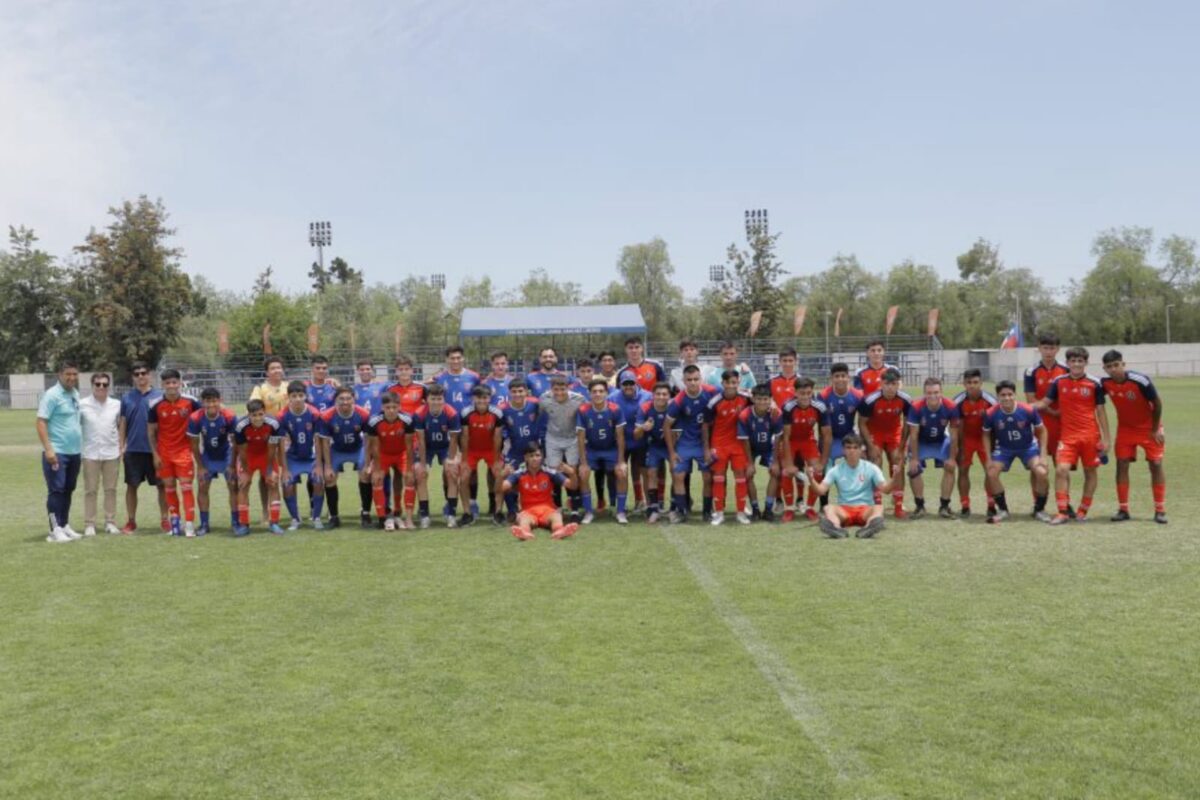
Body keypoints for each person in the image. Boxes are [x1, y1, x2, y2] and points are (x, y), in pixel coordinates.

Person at [1038, 347, 1111, 524]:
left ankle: (1082, 511)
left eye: (1080, 361)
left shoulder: (1095, 383)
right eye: (1073, 361)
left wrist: (1107, 439)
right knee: (1061, 469)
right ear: (1068, 363)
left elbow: (1101, 411)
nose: (1077, 364)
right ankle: (1062, 512)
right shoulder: (1058, 381)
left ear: (1086, 363)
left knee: (1090, 471)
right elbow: (1044, 403)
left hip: (1090, 436)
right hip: (1068, 437)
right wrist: (1020, 406)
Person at [1101, 350, 1167, 524]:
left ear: (1123, 364)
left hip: (1149, 429)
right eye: (1109, 367)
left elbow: (1157, 403)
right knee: (1121, 465)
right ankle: (1123, 509)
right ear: (1105, 369)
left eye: (1116, 365)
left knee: (1156, 464)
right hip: (1126, 430)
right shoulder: (1105, 383)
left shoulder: (1140, 381)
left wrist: (1155, 429)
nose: (1114, 369)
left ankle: (1160, 510)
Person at [806, 434, 901, 539]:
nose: (852, 451)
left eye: (856, 448)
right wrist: (811, 479)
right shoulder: (835, 470)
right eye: (848, 447)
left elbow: (886, 490)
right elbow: (820, 490)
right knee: (828, 508)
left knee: (878, 508)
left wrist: (895, 477)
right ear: (843, 450)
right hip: (844, 509)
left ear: (861, 450)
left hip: (865, 509)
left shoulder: (871, 468)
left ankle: (869, 528)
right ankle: (836, 529)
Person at [983, 380, 1050, 524]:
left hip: (1028, 448)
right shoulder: (990, 413)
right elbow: (986, 435)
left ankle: (1039, 510)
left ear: (1015, 395)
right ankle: (1003, 510)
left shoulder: (1028, 410)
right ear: (998, 396)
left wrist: (1043, 455)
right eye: (1003, 395)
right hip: (1004, 448)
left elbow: (1043, 431)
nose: (1007, 398)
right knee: (991, 473)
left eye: (1010, 394)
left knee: (1042, 472)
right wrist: (988, 458)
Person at [147, 369, 201, 535]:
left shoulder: (191, 402)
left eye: (174, 382)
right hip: (164, 454)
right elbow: (151, 432)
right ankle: (175, 524)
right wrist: (155, 455)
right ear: (162, 385)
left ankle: (190, 524)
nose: (171, 386)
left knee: (186, 487)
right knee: (169, 487)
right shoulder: (155, 405)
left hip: (184, 452)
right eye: (167, 383)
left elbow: (203, 419)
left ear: (179, 383)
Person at [664, 365, 717, 523]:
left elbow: (732, 396)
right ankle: (681, 511)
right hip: (685, 443)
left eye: (696, 379)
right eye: (689, 380)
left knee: (708, 477)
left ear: (701, 379)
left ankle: (707, 511)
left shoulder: (712, 392)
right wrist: (672, 452)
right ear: (683, 381)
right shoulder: (679, 400)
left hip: (704, 443)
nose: (693, 383)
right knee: (678, 475)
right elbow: (667, 426)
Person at [119, 361, 167, 533]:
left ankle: (165, 519)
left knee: (162, 486)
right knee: (132, 486)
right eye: (137, 374)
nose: (140, 376)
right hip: (133, 450)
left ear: (150, 374)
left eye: (143, 373)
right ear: (133, 377)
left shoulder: (161, 396)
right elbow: (123, 423)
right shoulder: (126, 398)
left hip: (156, 451)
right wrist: (121, 446)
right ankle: (131, 521)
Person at [37, 362, 83, 543]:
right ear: (59, 375)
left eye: (74, 374)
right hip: (57, 452)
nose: (71, 377)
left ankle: (64, 525)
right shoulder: (52, 395)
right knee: (56, 490)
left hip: (74, 452)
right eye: (68, 374)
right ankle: (54, 530)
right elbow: (41, 422)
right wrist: (49, 449)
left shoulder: (74, 393)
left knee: (68, 489)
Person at [858, 369, 912, 519]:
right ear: (881, 384)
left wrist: (902, 446)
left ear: (898, 384)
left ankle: (898, 504)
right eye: (887, 384)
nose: (890, 388)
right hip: (875, 433)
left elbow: (907, 422)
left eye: (894, 384)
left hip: (894, 433)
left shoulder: (905, 399)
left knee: (897, 462)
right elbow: (862, 423)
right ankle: (877, 503)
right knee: (875, 461)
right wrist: (869, 445)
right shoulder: (869, 400)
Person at [1024, 333, 1069, 509]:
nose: (1048, 351)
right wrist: (1052, 410)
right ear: (1039, 348)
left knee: (1061, 466)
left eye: (1052, 348)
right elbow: (1030, 401)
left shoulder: (1066, 370)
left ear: (1057, 349)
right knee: (1036, 467)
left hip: (1061, 425)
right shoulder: (1031, 371)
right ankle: (1038, 503)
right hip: (1038, 424)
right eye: (1045, 348)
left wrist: (1060, 413)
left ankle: (1065, 503)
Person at [502, 443, 581, 541]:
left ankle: (559, 531)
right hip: (528, 511)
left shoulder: (549, 472)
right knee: (523, 519)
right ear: (525, 458)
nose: (535, 459)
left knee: (556, 516)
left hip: (548, 509)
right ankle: (525, 533)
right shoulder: (519, 473)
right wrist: (501, 476)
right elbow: (501, 488)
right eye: (531, 456)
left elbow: (573, 486)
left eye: (537, 455)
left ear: (542, 457)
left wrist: (572, 473)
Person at [318, 387, 372, 529]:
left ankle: (365, 514)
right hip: (337, 449)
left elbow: (368, 440)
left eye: (348, 398)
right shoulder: (327, 416)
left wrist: (367, 462)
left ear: (354, 400)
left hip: (357, 448)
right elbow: (324, 442)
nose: (345, 402)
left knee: (366, 475)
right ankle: (334, 517)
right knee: (329, 477)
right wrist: (328, 466)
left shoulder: (364, 414)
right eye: (341, 399)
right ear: (335, 400)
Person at [906, 377, 960, 519]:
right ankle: (920, 506)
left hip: (941, 441)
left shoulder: (951, 406)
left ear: (941, 392)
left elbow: (954, 435)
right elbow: (913, 435)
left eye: (936, 392)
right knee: (913, 469)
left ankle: (944, 506)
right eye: (929, 393)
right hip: (921, 442)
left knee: (950, 467)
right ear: (925, 393)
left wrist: (952, 458)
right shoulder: (916, 406)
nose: (933, 396)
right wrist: (915, 459)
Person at [367, 393, 422, 530]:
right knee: (377, 479)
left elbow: (409, 446)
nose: (391, 410)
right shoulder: (374, 421)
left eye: (394, 407)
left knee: (409, 479)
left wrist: (409, 469)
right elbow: (374, 446)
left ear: (399, 407)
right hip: (383, 454)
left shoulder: (407, 420)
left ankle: (407, 518)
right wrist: (377, 469)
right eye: (388, 407)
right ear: (382, 407)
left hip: (401, 454)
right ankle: (382, 519)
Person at [576, 378, 628, 524]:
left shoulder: (615, 409)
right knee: (583, 473)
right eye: (594, 392)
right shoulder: (583, 410)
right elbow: (580, 438)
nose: (597, 394)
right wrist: (583, 463)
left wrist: (621, 461)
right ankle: (588, 512)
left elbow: (620, 436)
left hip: (610, 449)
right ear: (589, 394)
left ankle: (621, 511)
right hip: (591, 450)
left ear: (606, 393)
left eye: (601, 391)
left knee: (622, 473)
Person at [188, 387, 239, 534]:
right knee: (203, 486)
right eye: (208, 401)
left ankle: (235, 522)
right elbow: (194, 444)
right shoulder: (195, 417)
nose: (211, 404)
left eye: (214, 401)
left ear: (220, 400)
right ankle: (204, 524)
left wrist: (232, 465)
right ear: (202, 402)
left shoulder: (228, 416)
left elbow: (235, 443)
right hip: (208, 456)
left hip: (226, 455)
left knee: (232, 485)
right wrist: (201, 466)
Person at [706, 369, 753, 525]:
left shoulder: (746, 398)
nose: (731, 386)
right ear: (723, 383)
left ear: (738, 382)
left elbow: (761, 403)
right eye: (728, 383)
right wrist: (707, 449)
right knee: (718, 477)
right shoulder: (714, 402)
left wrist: (773, 407)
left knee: (740, 477)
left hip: (738, 444)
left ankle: (740, 512)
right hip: (719, 444)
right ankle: (719, 512)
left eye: (734, 382)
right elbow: (705, 426)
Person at [277, 381, 325, 531]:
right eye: (294, 396)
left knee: (318, 481)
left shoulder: (314, 414)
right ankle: (295, 518)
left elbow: (318, 440)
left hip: (311, 457)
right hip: (293, 458)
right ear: (288, 397)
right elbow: (281, 445)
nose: (297, 399)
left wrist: (318, 464)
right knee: (287, 484)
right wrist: (284, 469)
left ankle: (316, 517)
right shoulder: (282, 416)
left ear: (305, 396)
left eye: (300, 395)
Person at [781, 377, 830, 522]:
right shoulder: (788, 407)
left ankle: (809, 507)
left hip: (807, 441)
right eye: (802, 393)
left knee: (818, 471)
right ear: (795, 393)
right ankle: (789, 508)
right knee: (786, 472)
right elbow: (786, 436)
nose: (806, 397)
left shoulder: (820, 407)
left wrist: (823, 461)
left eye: (809, 393)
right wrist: (789, 464)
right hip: (790, 441)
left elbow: (827, 436)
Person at [413, 384, 462, 527]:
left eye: (439, 399)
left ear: (444, 400)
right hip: (426, 447)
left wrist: (452, 461)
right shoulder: (419, 413)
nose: (436, 402)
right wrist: (422, 464)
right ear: (427, 399)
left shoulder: (452, 413)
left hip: (445, 447)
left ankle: (451, 514)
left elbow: (453, 440)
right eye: (433, 398)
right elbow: (421, 440)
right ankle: (424, 515)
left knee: (452, 473)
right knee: (420, 474)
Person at [79, 372, 121, 536]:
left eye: (105, 384)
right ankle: (90, 524)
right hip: (90, 453)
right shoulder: (82, 404)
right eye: (98, 384)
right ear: (92, 385)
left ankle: (110, 522)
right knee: (90, 490)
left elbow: (120, 426)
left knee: (111, 489)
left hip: (112, 452)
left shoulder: (116, 404)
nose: (101, 387)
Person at [539, 374, 587, 516]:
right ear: (551, 389)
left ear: (568, 387)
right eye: (556, 389)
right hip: (553, 438)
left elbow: (586, 416)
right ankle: (557, 507)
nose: (559, 392)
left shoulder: (579, 399)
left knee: (572, 471)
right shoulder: (544, 399)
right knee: (553, 472)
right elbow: (536, 415)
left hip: (572, 438)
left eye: (562, 389)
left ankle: (575, 509)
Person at [234, 399, 283, 536]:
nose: (258, 418)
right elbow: (242, 451)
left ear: (264, 412)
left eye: (260, 414)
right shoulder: (240, 426)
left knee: (273, 483)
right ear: (248, 415)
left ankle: (274, 523)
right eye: (254, 415)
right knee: (244, 485)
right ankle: (244, 524)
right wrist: (244, 471)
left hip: (267, 455)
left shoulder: (274, 424)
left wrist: (269, 470)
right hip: (248, 457)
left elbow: (273, 448)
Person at [388, 355, 429, 519]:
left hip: (414, 440)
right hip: (395, 439)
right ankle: (397, 507)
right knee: (397, 475)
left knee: (415, 473)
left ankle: (421, 509)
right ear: (396, 372)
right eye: (400, 369)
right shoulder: (390, 389)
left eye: (407, 369)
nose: (404, 372)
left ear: (412, 371)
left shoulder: (421, 388)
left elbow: (432, 404)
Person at [953, 369, 997, 518]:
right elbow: (956, 426)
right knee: (963, 470)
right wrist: (959, 447)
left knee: (990, 471)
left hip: (985, 439)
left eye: (975, 382)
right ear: (964, 384)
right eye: (969, 383)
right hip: (966, 439)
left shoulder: (991, 401)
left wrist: (994, 445)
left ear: (981, 383)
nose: (972, 386)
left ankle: (991, 505)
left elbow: (996, 424)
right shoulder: (957, 402)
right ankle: (965, 505)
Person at [250, 356, 289, 521]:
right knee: (266, 475)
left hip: (288, 437)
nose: (276, 370)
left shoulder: (289, 387)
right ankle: (267, 511)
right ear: (267, 372)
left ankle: (290, 512)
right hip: (268, 438)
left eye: (279, 367)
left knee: (290, 472)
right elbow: (254, 407)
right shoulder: (260, 389)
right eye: (273, 368)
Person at [458, 385, 504, 526]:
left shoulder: (497, 413)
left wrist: (496, 461)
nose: (482, 401)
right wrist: (464, 461)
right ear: (473, 398)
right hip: (471, 450)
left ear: (489, 398)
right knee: (464, 478)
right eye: (478, 398)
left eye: (485, 398)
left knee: (499, 476)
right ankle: (467, 513)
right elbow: (464, 437)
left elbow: (497, 438)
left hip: (491, 450)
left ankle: (498, 512)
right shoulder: (466, 413)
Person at [499, 378, 543, 521]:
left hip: (533, 451)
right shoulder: (503, 408)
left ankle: (537, 506)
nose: (517, 394)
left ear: (526, 392)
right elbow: (501, 430)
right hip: (514, 451)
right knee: (508, 478)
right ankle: (512, 510)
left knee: (539, 478)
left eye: (520, 391)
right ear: (509, 392)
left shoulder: (535, 404)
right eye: (514, 391)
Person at [739, 384, 785, 521]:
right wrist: (749, 463)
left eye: (765, 399)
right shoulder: (745, 415)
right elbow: (745, 440)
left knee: (775, 472)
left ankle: (768, 509)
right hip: (751, 448)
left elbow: (778, 438)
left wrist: (776, 462)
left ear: (771, 399)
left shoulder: (776, 414)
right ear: (753, 399)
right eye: (759, 399)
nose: (762, 402)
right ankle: (755, 509)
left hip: (769, 447)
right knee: (747, 474)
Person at [609, 371, 652, 512]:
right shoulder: (612, 398)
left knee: (644, 472)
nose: (628, 387)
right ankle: (622, 505)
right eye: (625, 384)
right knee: (621, 472)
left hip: (641, 441)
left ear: (636, 383)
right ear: (620, 384)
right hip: (621, 441)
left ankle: (648, 504)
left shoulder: (647, 396)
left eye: (631, 384)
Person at [634, 383, 673, 523]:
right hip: (654, 445)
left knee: (677, 471)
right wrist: (643, 428)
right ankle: (654, 508)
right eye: (658, 394)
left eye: (665, 394)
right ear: (653, 395)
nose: (661, 397)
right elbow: (636, 435)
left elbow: (680, 430)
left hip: (671, 445)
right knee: (651, 473)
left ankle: (675, 507)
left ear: (669, 396)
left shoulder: (673, 407)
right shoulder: (645, 407)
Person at [819, 363, 864, 465]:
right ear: (831, 378)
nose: (840, 379)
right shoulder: (823, 396)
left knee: (861, 459)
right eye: (837, 376)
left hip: (850, 434)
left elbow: (863, 422)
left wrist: (862, 442)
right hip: (832, 437)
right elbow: (821, 425)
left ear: (848, 377)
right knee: (834, 460)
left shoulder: (858, 395)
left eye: (843, 376)